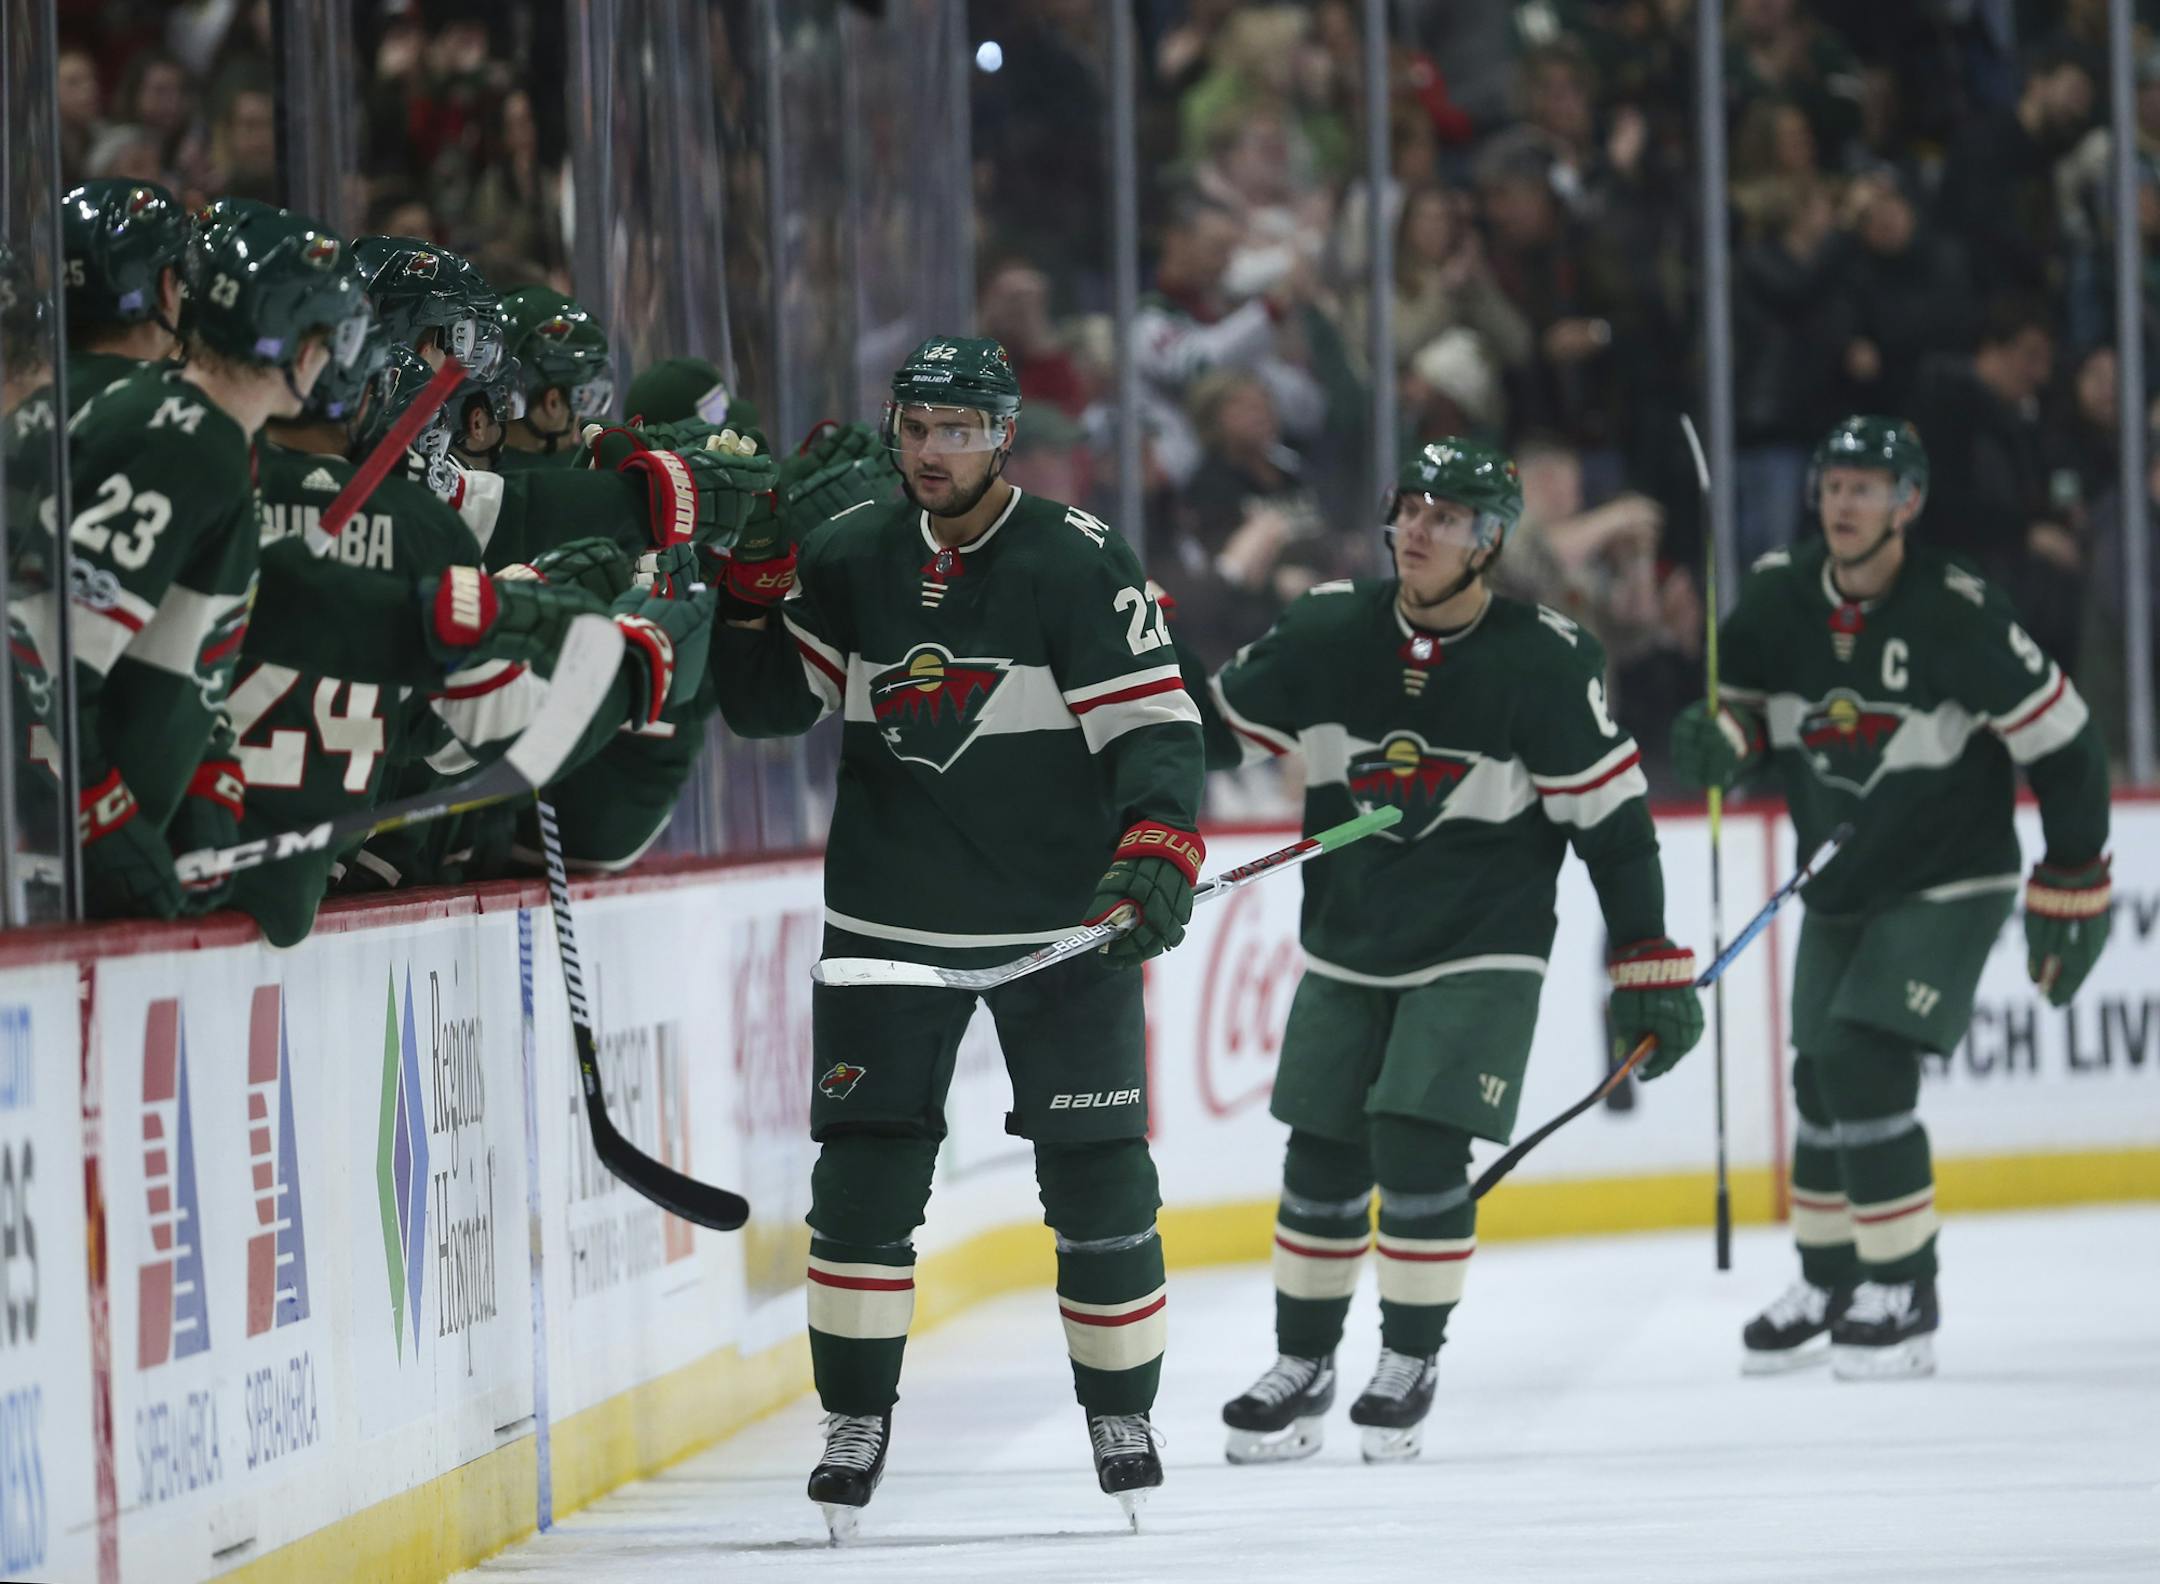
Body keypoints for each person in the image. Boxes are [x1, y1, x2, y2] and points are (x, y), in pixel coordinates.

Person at [710, 337, 1204, 1534]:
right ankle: (856, 1418)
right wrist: (752, 585)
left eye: (959, 430)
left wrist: (1156, 846)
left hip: (1062, 925)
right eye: (916, 426)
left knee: (1101, 1180)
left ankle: (1119, 1412)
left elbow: (1156, 729)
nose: (933, 451)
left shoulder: (1077, 562)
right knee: (864, 1182)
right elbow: (768, 707)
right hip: (889, 918)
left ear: (1004, 435)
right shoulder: (849, 554)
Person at [1179, 439, 1702, 1464]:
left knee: (1418, 1139)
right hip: (1349, 939)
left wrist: (1645, 957)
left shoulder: (1545, 660)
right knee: (1322, 1152)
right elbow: (1210, 733)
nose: (1416, 530)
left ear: (1491, 541)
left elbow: (1615, 824)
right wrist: (1142, 661)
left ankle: (1407, 1360)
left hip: (1482, 943)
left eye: (1446, 516)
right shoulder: (1330, 630)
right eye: (1408, 508)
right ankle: (1304, 1365)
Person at [1670, 416, 2112, 1379]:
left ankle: (1905, 1287)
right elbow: (1739, 709)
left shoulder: (1957, 610)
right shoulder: (1780, 594)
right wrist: (1724, 745)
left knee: (1863, 1059)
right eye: (1833, 485)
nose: (1844, 503)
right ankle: (1830, 1279)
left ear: (1909, 503)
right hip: (1839, 879)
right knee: (1815, 1079)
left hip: (1951, 873)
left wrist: (2075, 873)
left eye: (1867, 488)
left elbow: (2069, 743)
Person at [61, 206, 370, 918]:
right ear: (299, 349)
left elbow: (173, 636)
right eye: (329, 340)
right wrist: (98, 816)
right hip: (44, 864)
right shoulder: (190, 442)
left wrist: (203, 772)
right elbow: (42, 652)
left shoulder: (220, 440)